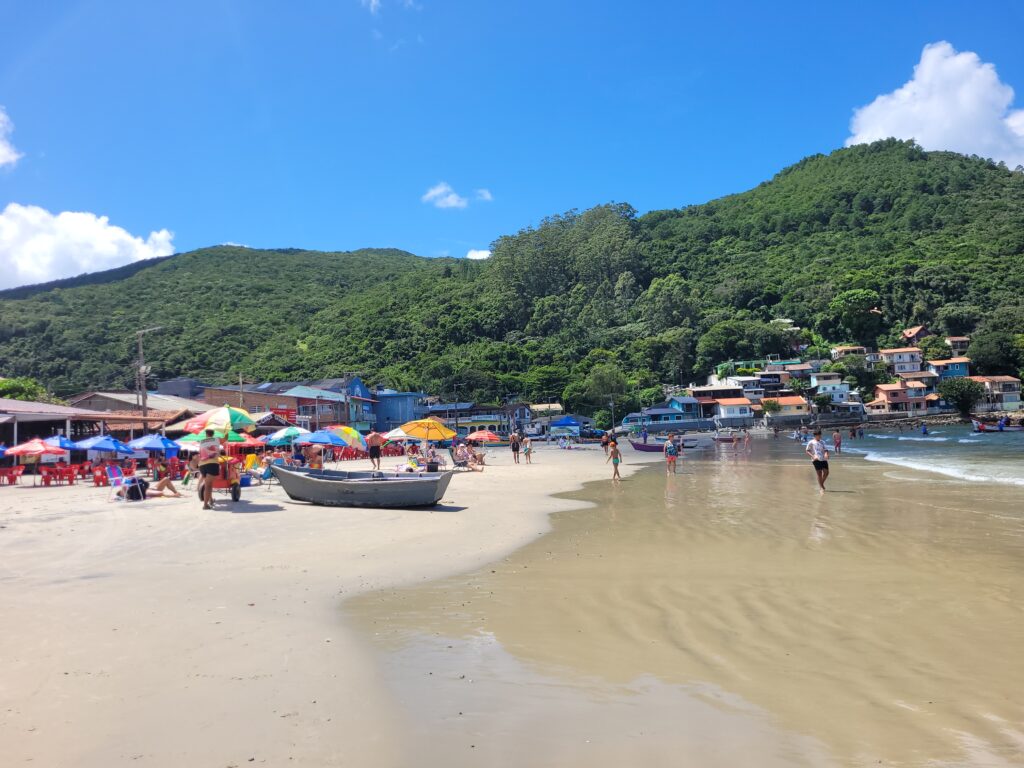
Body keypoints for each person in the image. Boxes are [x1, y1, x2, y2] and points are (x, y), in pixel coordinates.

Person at [197, 429, 224, 510]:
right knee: (208, 485)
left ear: (206, 434)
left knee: (208, 483)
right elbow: (226, 438)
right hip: (212, 463)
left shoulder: (201, 441)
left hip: (202, 464)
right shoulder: (217, 439)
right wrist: (226, 431)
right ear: (213, 433)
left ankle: (211, 500)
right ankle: (205, 505)